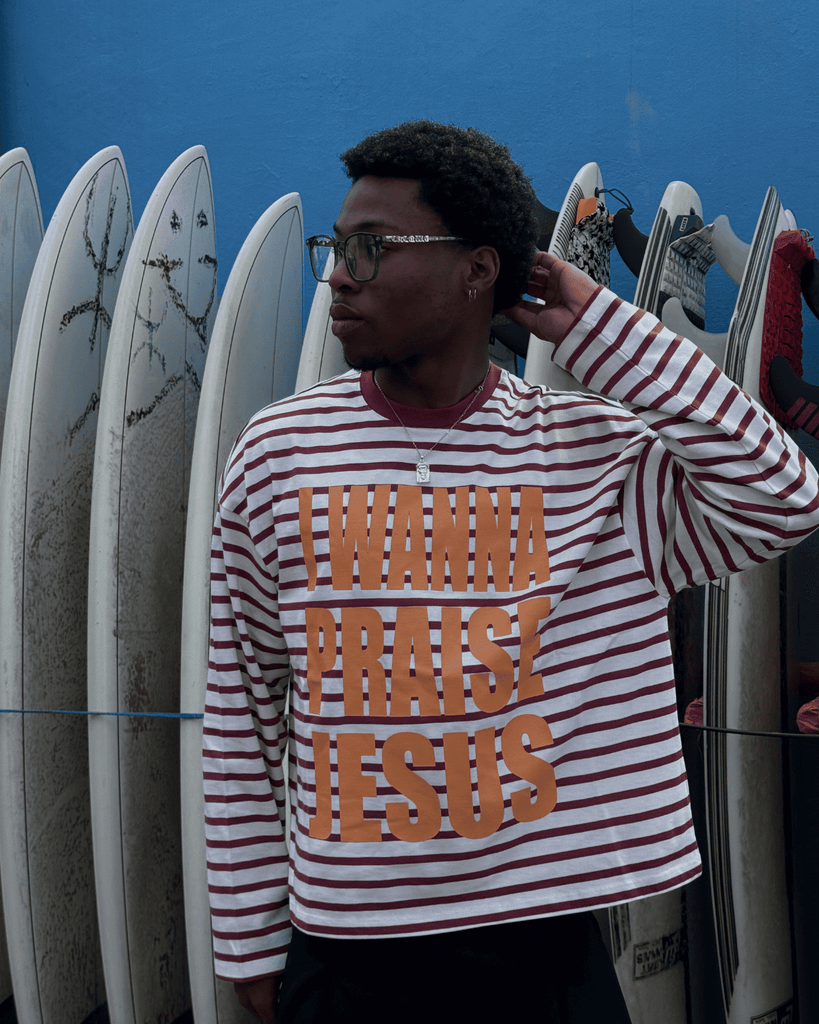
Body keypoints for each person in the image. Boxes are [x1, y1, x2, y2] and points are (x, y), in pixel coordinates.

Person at [203, 120, 819, 1024]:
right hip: (345, 947)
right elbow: (241, 706)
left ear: (478, 269)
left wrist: (599, 327)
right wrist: (250, 934)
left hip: (546, 947)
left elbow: (781, 499)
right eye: (334, 248)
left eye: (372, 247)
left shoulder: (592, 456)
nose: (338, 275)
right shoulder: (279, 450)